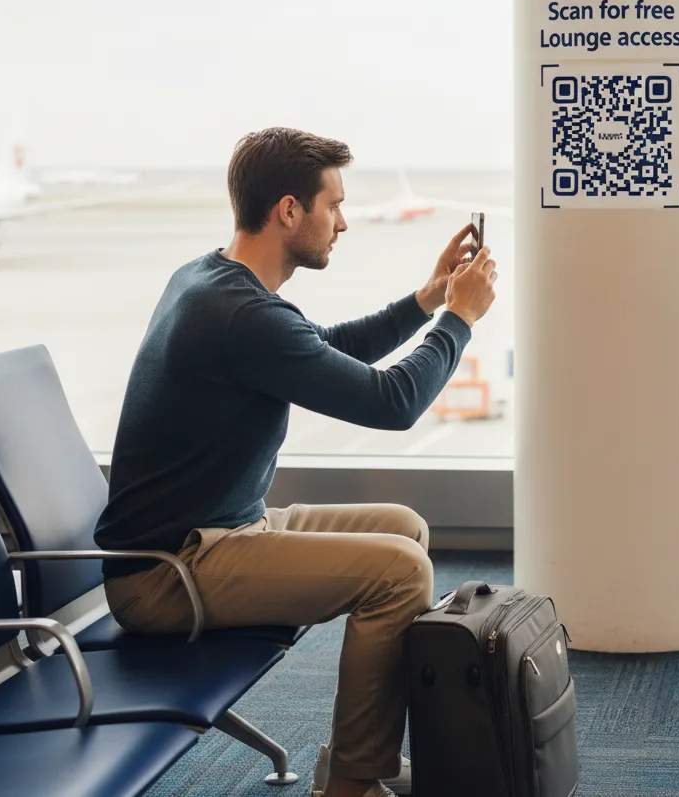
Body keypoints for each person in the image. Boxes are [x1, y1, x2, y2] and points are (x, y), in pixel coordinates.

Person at [94, 127, 497, 797]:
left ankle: (359, 754)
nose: (343, 222)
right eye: (333, 205)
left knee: (405, 528)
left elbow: (321, 348)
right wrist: (459, 320)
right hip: (169, 573)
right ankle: (352, 783)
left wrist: (428, 299)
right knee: (401, 573)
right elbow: (394, 403)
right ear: (288, 210)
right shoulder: (238, 313)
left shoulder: (212, 278)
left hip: (222, 530)